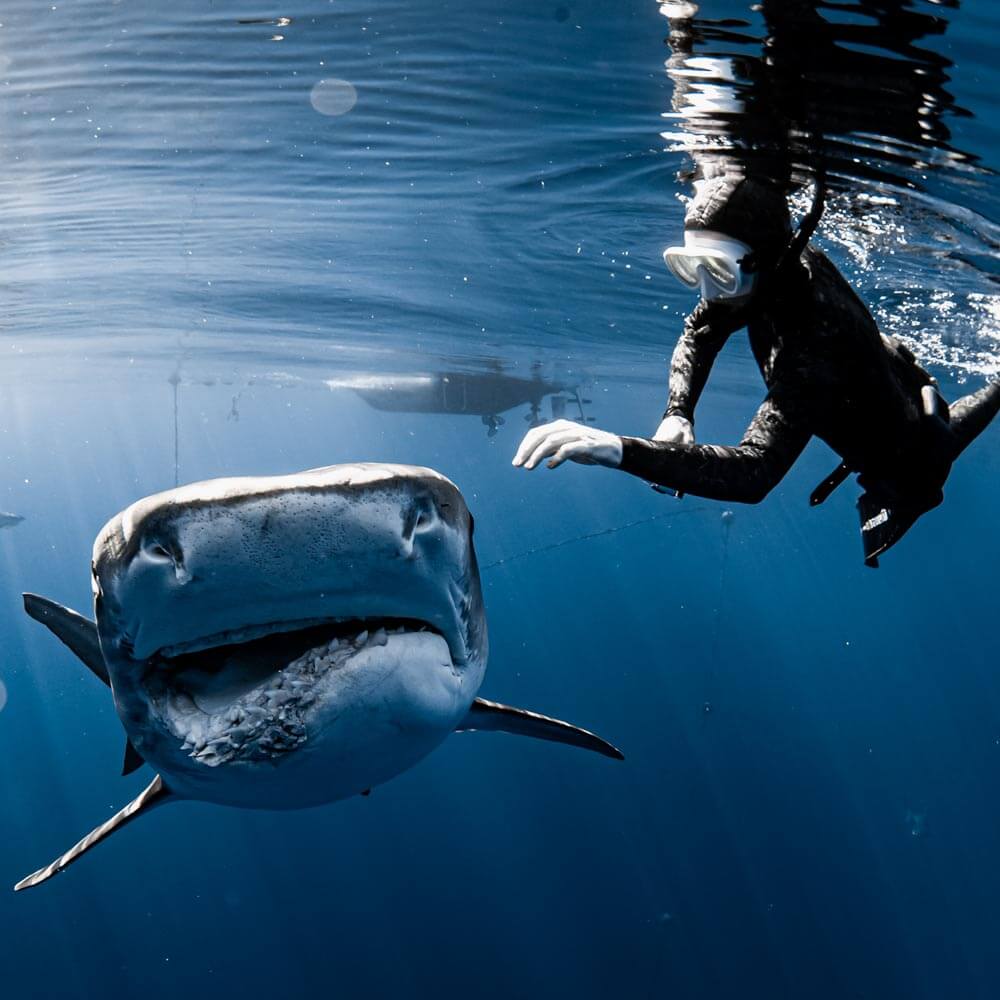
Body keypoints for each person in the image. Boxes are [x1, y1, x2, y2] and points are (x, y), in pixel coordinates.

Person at [512, 170, 1000, 566]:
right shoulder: (770, 267)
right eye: (693, 267)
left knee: (942, 442)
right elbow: (700, 331)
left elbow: (753, 474)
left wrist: (618, 450)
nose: (708, 290)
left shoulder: (812, 345)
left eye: (718, 270)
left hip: (911, 457)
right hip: (883, 376)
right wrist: (678, 412)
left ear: (767, 261)